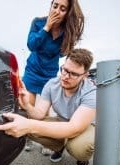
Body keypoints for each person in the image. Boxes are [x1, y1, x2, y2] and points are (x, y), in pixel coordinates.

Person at [0, 48, 96, 165]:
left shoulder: (91, 92)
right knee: (30, 123)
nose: (66, 76)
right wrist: (27, 105)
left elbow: (74, 128)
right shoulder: (52, 84)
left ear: (85, 75)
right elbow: (39, 114)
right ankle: (59, 147)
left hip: (83, 127)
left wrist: (29, 126)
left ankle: (82, 159)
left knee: (80, 148)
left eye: (73, 74)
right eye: (64, 70)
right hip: (61, 121)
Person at [22, 0, 85, 153]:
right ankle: (27, 137)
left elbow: (63, 53)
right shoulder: (38, 22)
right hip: (32, 72)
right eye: (55, 5)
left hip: (49, 75)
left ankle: (47, 143)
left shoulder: (66, 31)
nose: (57, 10)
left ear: (67, 13)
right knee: (27, 107)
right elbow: (31, 45)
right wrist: (47, 27)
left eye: (62, 8)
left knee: (44, 113)